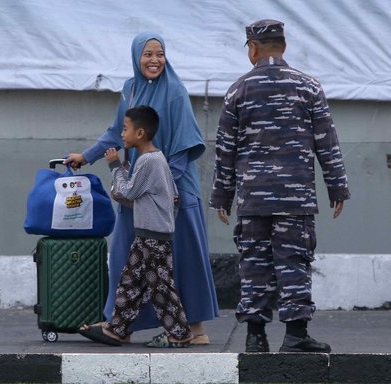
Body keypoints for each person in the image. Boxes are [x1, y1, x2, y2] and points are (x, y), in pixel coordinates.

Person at [64, 32, 218, 344]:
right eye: (147, 54)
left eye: (159, 54)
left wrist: (167, 191)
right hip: (137, 189)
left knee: (182, 258)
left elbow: (184, 146)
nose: (154, 60)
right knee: (125, 254)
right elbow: (116, 132)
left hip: (174, 192)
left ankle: (196, 329)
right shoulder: (130, 89)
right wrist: (87, 156)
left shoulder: (175, 92)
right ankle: (120, 325)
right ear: (136, 57)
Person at [209, 19, 351, 353]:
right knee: (294, 262)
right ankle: (295, 335)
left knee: (255, 263)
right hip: (295, 198)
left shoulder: (238, 90)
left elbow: (225, 150)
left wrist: (221, 196)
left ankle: (255, 337)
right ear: (283, 46)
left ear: (253, 49)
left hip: (252, 198)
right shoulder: (308, 87)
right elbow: (326, 143)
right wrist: (337, 188)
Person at [79, 106, 193, 347]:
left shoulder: (148, 161)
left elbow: (127, 191)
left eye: (125, 128)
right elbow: (161, 197)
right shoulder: (156, 159)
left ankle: (180, 334)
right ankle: (116, 329)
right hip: (148, 234)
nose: (122, 134)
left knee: (160, 287)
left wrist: (114, 166)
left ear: (140, 133)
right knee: (131, 282)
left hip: (153, 237)